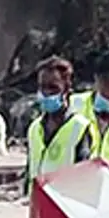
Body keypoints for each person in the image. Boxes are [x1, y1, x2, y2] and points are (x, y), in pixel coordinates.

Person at [26, 55, 92, 186]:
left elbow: (84, 175)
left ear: (66, 89)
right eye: (42, 87)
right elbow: (29, 171)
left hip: (64, 203)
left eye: (53, 88)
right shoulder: (34, 128)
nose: (46, 93)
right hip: (37, 202)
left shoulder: (79, 128)